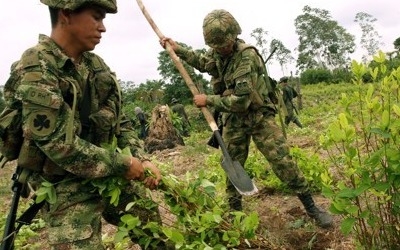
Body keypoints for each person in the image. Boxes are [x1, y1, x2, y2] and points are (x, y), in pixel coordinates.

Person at [3, 0, 169, 249]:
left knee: (153, 233)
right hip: (63, 184)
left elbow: (119, 121)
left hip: (107, 173)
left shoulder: (96, 66)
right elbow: (57, 143)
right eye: (96, 17)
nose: (102, 28)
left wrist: (141, 158)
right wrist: (123, 164)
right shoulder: (36, 67)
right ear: (66, 14)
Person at [160, 9, 333, 228]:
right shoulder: (217, 52)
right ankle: (235, 216)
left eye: (224, 45)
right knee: (232, 165)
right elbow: (205, 63)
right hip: (234, 120)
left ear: (233, 37)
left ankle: (312, 207)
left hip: (259, 116)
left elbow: (242, 101)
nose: (221, 50)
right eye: (216, 46)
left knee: (283, 162)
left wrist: (209, 100)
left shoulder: (246, 56)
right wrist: (179, 49)